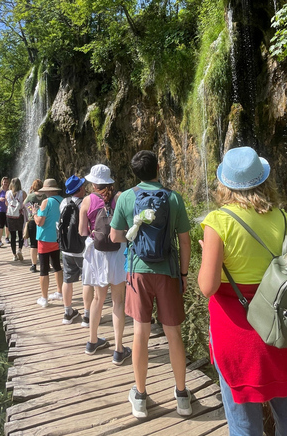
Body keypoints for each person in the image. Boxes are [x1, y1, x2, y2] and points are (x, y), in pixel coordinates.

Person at [198, 147, 287, 436]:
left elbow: (207, 287)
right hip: (284, 334)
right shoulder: (284, 219)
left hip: (238, 338)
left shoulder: (218, 222)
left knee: (244, 426)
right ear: (263, 180)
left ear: (225, 183)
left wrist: (208, 256)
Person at [110, 150, 192, 419]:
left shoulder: (125, 197)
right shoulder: (173, 198)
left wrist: (135, 231)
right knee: (173, 334)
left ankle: (141, 398)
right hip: (168, 272)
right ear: (158, 168)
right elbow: (184, 241)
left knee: (140, 333)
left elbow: (114, 237)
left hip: (137, 273)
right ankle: (182, 397)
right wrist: (183, 275)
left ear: (135, 173)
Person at [80, 164, 130, 363]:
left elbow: (82, 231)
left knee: (97, 299)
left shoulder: (87, 200)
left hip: (98, 253)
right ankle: (118, 350)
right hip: (118, 252)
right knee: (118, 301)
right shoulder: (120, 198)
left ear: (94, 184)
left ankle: (92, 342)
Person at [59, 175, 94, 326]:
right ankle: (87, 316)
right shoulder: (86, 202)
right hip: (83, 249)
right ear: (80, 189)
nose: (85, 188)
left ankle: (68, 313)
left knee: (67, 280)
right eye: (83, 186)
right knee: (87, 281)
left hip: (66, 249)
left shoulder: (63, 202)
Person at [33, 178, 64, 308]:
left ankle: (44, 298)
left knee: (44, 268)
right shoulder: (62, 200)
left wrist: (34, 213)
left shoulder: (46, 202)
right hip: (57, 237)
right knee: (57, 265)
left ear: (47, 190)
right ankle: (59, 292)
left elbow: (40, 222)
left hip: (45, 238)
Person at [24, 179, 45, 273]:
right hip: (43, 220)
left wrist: (31, 212)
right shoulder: (45, 196)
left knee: (33, 244)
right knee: (43, 242)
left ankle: (33, 265)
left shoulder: (31, 196)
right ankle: (45, 264)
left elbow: (24, 204)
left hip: (32, 220)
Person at [6, 177, 27, 262]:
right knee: (21, 233)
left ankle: (14, 255)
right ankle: (19, 250)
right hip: (20, 216)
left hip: (10, 216)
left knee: (13, 236)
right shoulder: (23, 193)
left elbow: (6, 204)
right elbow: (25, 204)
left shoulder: (7, 193)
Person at [0, 177, 11, 248]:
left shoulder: (10, 190)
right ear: (2, 182)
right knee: (0, 226)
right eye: (4, 182)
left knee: (8, 225)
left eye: (7, 182)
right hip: (0, 210)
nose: (6, 183)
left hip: (8, 210)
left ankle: (7, 237)